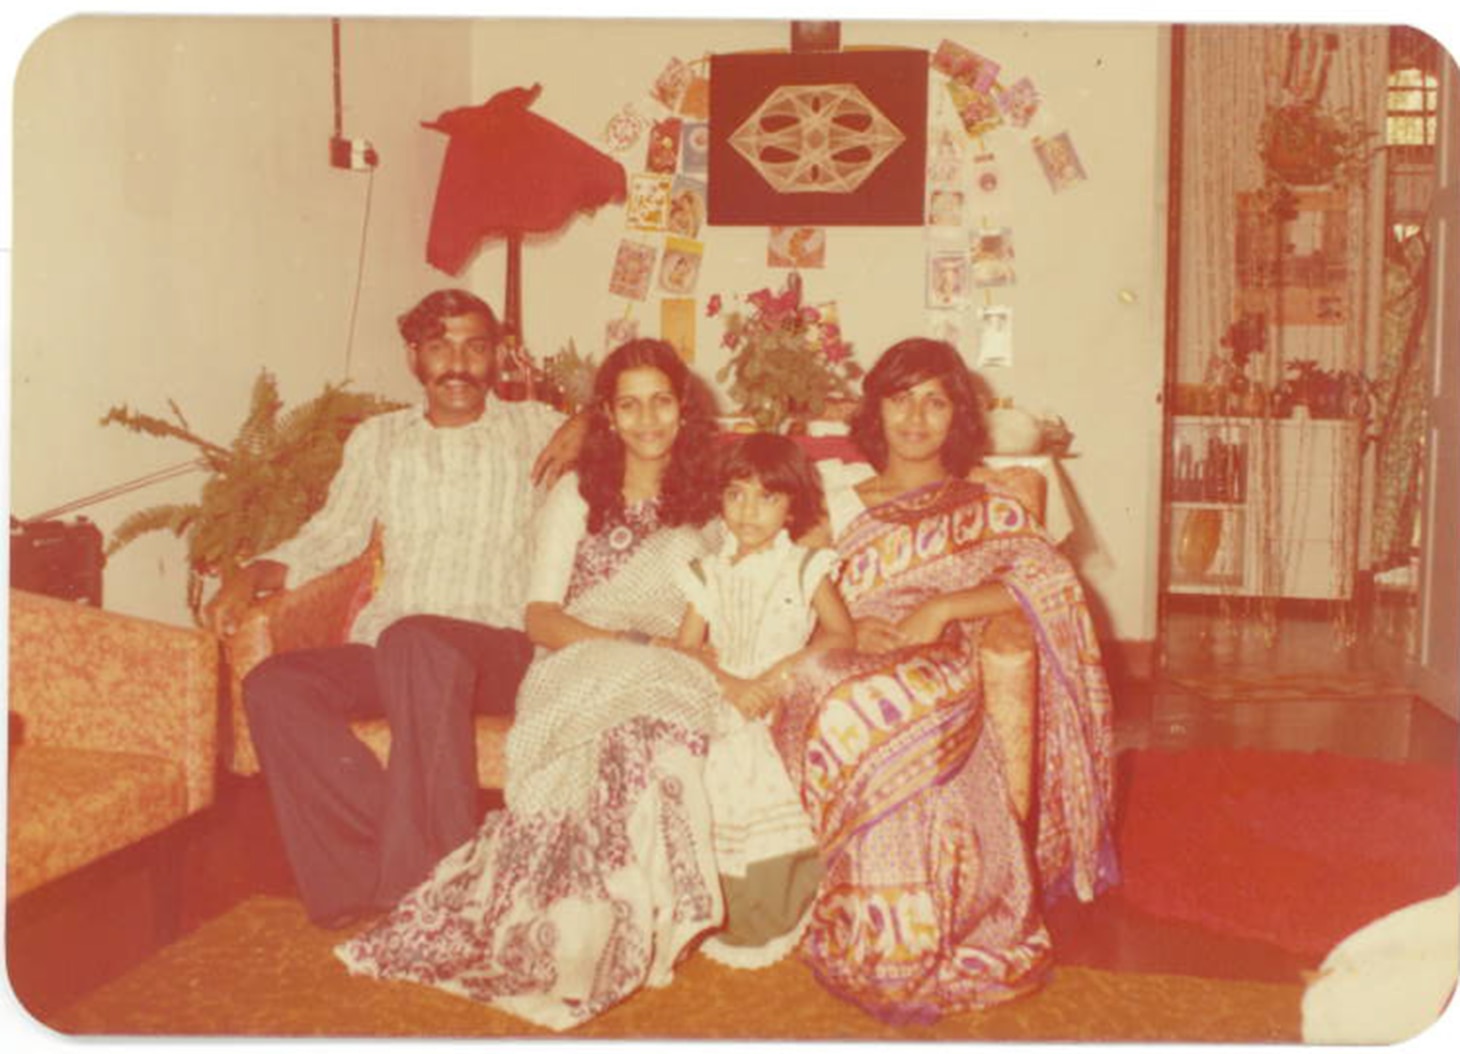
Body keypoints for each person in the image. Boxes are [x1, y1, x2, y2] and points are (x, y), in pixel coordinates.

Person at [336, 339, 731, 1031]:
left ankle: (648, 926)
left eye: (661, 401)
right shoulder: (580, 493)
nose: (647, 420)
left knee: (655, 739)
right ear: (606, 415)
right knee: (631, 714)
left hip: (669, 662)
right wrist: (634, 646)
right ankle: (585, 931)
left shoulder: (714, 500)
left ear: (684, 407)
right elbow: (541, 618)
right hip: (576, 658)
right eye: (629, 404)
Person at [205, 288, 583, 928]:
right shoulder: (379, 440)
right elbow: (333, 534)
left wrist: (589, 418)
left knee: (417, 639)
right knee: (275, 685)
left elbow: (648, 417)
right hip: (397, 646)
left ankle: (430, 888)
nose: (458, 363)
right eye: (440, 347)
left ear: (497, 357)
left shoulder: (535, 427)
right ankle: (365, 874)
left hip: (501, 651)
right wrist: (251, 572)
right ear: (414, 357)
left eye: (475, 347)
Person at [771, 337, 1118, 1023]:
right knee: (826, 684)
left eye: (935, 402)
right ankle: (857, 917)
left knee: (892, 699)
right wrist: (841, 628)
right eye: (902, 400)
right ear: (876, 410)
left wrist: (944, 606)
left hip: (936, 659)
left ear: (958, 417)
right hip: (849, 647)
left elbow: (1050, 580)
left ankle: (923, 929)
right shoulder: (837, 501)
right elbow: (791, 587)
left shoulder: (982, 503)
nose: (917, 418)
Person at [675, 433, 853, 969]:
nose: (748, 510)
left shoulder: (804, 566)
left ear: (792, 505)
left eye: (766, 497)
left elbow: (842, 635)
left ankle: (777, 904)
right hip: (724, 695)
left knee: (764, 770)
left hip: (783, 693)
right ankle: (713, 905)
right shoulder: (708, 571)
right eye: (735, 494)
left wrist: (779, 674)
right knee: (712, 767)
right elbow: (687, 649)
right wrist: (730, 684)